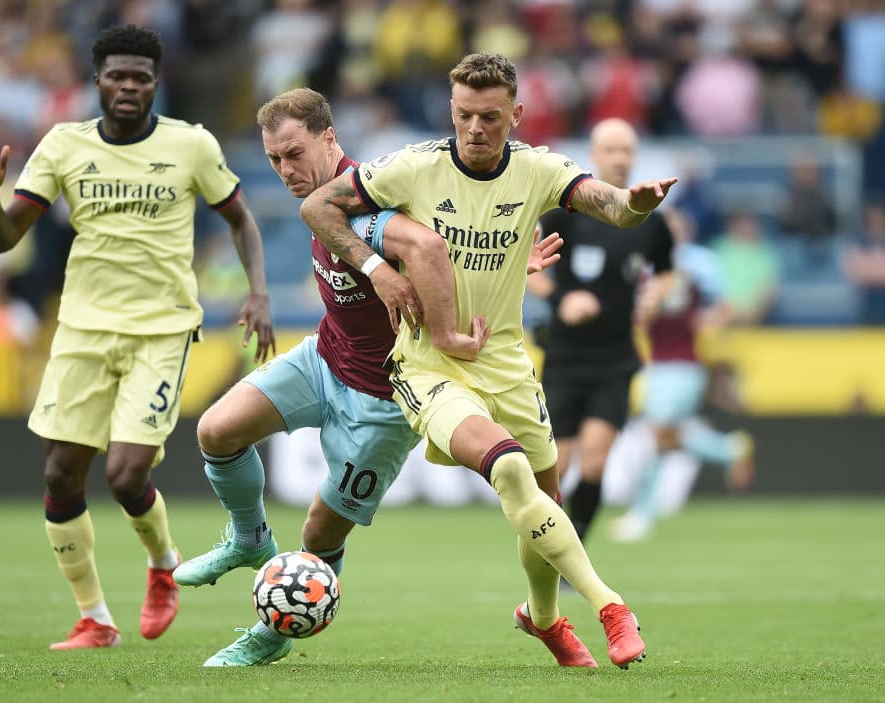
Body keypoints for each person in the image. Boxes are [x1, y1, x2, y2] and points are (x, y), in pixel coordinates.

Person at [302, 52, 677, 669]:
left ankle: (543, 616)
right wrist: (375, 270)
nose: (475, 128)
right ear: (451, 112)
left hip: (504, 360)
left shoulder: (537, 170)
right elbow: (318, 206)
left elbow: (609, 205)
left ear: (516, 115)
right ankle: (611, 607)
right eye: (464, 115)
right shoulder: (411, 167)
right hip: (427, 363)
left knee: (547, 501)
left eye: (490, 117)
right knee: (508, 472)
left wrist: (636, 204)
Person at [173, 87, 563, 667]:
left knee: (319, 537)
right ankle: (249, 538)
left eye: (294, 154)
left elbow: (429, 245)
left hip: (384, 400)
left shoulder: (372, 199)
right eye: (275, 159)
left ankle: (273, 635)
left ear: (330, 138)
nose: (285, 170)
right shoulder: (321, 198)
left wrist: (488, 264)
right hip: (324, 359)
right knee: (217, 431)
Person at [0, 24, 275, 651]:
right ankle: (95, 619)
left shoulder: (190, 144)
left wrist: (259, 293)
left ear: (155, 83)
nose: (130, 86)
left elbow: (241, 219)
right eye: (119, 76)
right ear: (99, 81)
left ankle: (162, 561)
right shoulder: (63, 145)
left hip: (161, 329)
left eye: (141, 77)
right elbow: (6, 239)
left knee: (126, 474)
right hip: (82, 328)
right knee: (60, 475)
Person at [528, 118, 674, 546]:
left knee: (594, 462)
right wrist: (562, 301)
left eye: (626, 150)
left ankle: (574, 552)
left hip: (616, 357)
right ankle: (545, 549)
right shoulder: (568, 213)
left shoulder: (650, 219)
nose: (619, 158)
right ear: (594, 156)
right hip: (566, 355)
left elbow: (665, 271)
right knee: (560, 465)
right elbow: (528, 268)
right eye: (610, 149)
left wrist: (656, 296)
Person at [608, 209, 755, 543]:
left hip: (684, 365)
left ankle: (642, 514)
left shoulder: (699, 263)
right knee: (667, 437)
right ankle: (730, 449)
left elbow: (729, 306)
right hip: (659, 364)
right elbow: (637, 313)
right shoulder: (646, 263)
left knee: (657, 434)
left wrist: (707, 320)